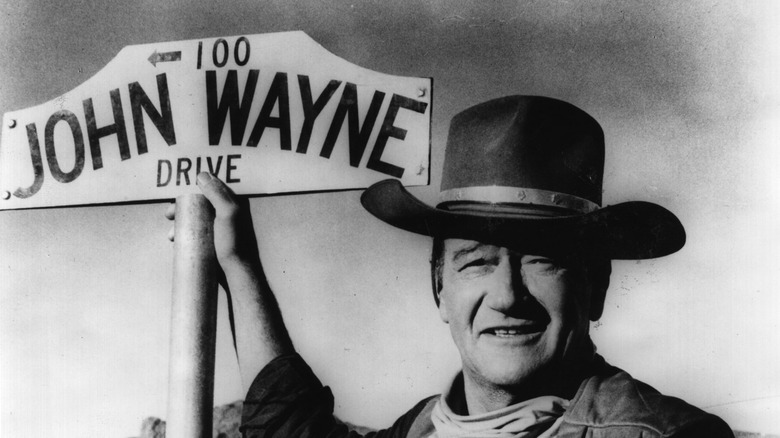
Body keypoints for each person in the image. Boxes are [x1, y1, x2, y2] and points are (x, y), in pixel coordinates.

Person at [170, 95, 734, 437]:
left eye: (545, 261)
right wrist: (239, 263)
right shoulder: (421, 429)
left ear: (598, 286)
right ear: (439, 288)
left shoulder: (671, 436)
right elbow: (289, 429)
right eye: (476, 263)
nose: (508, 295)